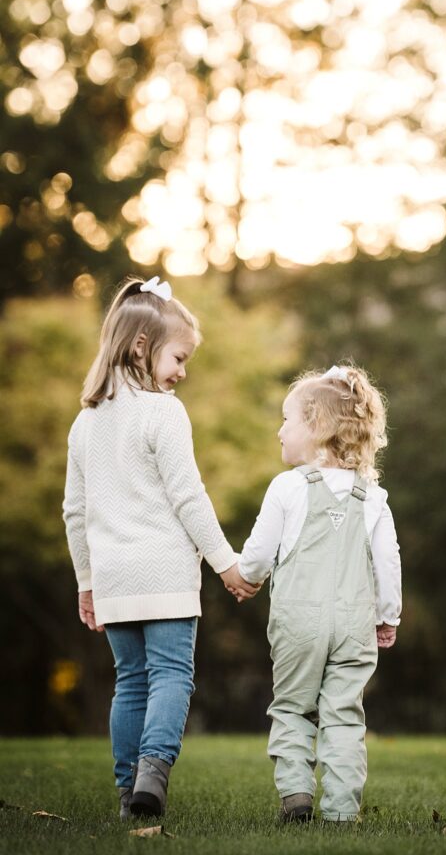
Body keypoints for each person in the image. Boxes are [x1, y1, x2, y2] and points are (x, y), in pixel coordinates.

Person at [62, 275, 258, 821]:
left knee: (130, 680)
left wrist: (87, 581)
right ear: (143, 347)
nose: (182, 372)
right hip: (165, 571)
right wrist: (226, 563)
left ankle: (130, 794)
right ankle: (154, 771)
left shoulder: (85, 423)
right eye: (179, 357)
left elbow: (74, 512)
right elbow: (188, 496)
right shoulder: (163, 411)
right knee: (172, 673)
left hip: (115, 576)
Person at [238, 364, 402, 824]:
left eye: (287, 420)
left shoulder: (286, 488)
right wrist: (388, 616)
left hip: (298, 623)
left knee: (292, 705)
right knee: (345, 715)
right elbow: (387, 564)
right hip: (354, 624)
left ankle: (296, 795)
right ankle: (341, 809)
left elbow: (256, 557)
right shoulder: (373, 497)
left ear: (317, 428)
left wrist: (245, 576)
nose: (279, 431)